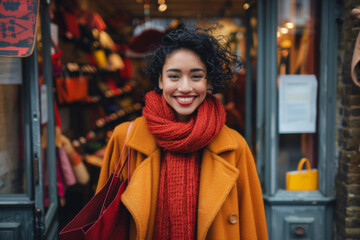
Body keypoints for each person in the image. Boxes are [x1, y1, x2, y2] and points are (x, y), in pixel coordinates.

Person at [96, 26, 268, 240]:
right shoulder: (126, 139)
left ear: (208, 82)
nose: (185, 87)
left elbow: (252, 226)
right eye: (174, 76)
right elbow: (103, 221)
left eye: (196, 76)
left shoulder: (234, 146)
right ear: (160, 80)